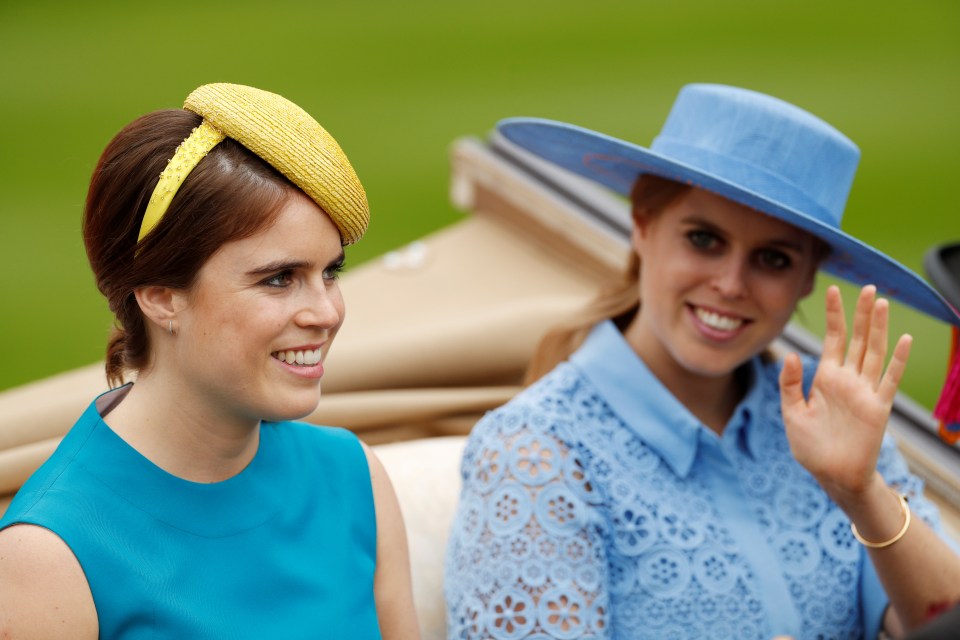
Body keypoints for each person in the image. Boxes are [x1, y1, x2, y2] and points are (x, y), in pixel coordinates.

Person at [444, 84, 960, 639]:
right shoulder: (534, 453)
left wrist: (863, 493)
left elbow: (941, 621)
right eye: (703, 240)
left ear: (808, 276)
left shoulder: (831, 411)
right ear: (642, 226)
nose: (731, 284)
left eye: (772, 259)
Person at [0, 83, 419, 639]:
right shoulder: (46, 557)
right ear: (159, 295)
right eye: (278, 278)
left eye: (330, 273)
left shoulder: (353, 477)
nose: (326, 312)